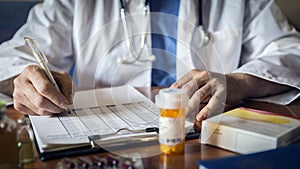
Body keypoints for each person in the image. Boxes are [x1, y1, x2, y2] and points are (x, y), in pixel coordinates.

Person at [0, 0, 299, 122]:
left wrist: (238, 83)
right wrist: (26, 80)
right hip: (106, 139)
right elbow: (12, 57)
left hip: (205, 136)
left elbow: (290, 49)